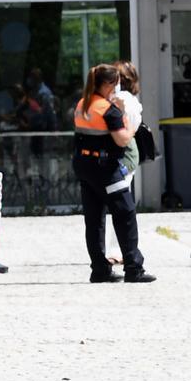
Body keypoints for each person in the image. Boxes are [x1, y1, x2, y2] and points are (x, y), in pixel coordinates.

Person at [71, 64, 152, 284]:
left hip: (84, 165)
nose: (117, 87)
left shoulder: (83, 104)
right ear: (107, 84)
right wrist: (128, 122)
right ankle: (134, 268)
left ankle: (99, 270)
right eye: (115, 83)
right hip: (105, 166)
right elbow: (123, 139)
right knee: (125, 214)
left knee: (94, 219)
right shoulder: (108, 109)